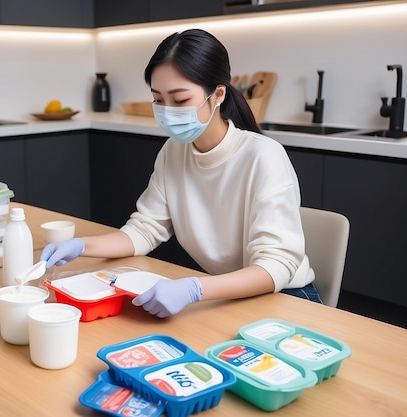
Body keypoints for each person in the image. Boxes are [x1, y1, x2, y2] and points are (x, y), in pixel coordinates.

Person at [40, 28, 320, 318]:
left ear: (218, 95)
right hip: (226, 294)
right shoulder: (173, 152)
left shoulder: (263, 156)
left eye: (180, 100)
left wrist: (194, 290)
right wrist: (81, 245)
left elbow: (277, 266)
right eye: (158, 99)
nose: (168, 111)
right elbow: (144, 231)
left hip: (286, 297)